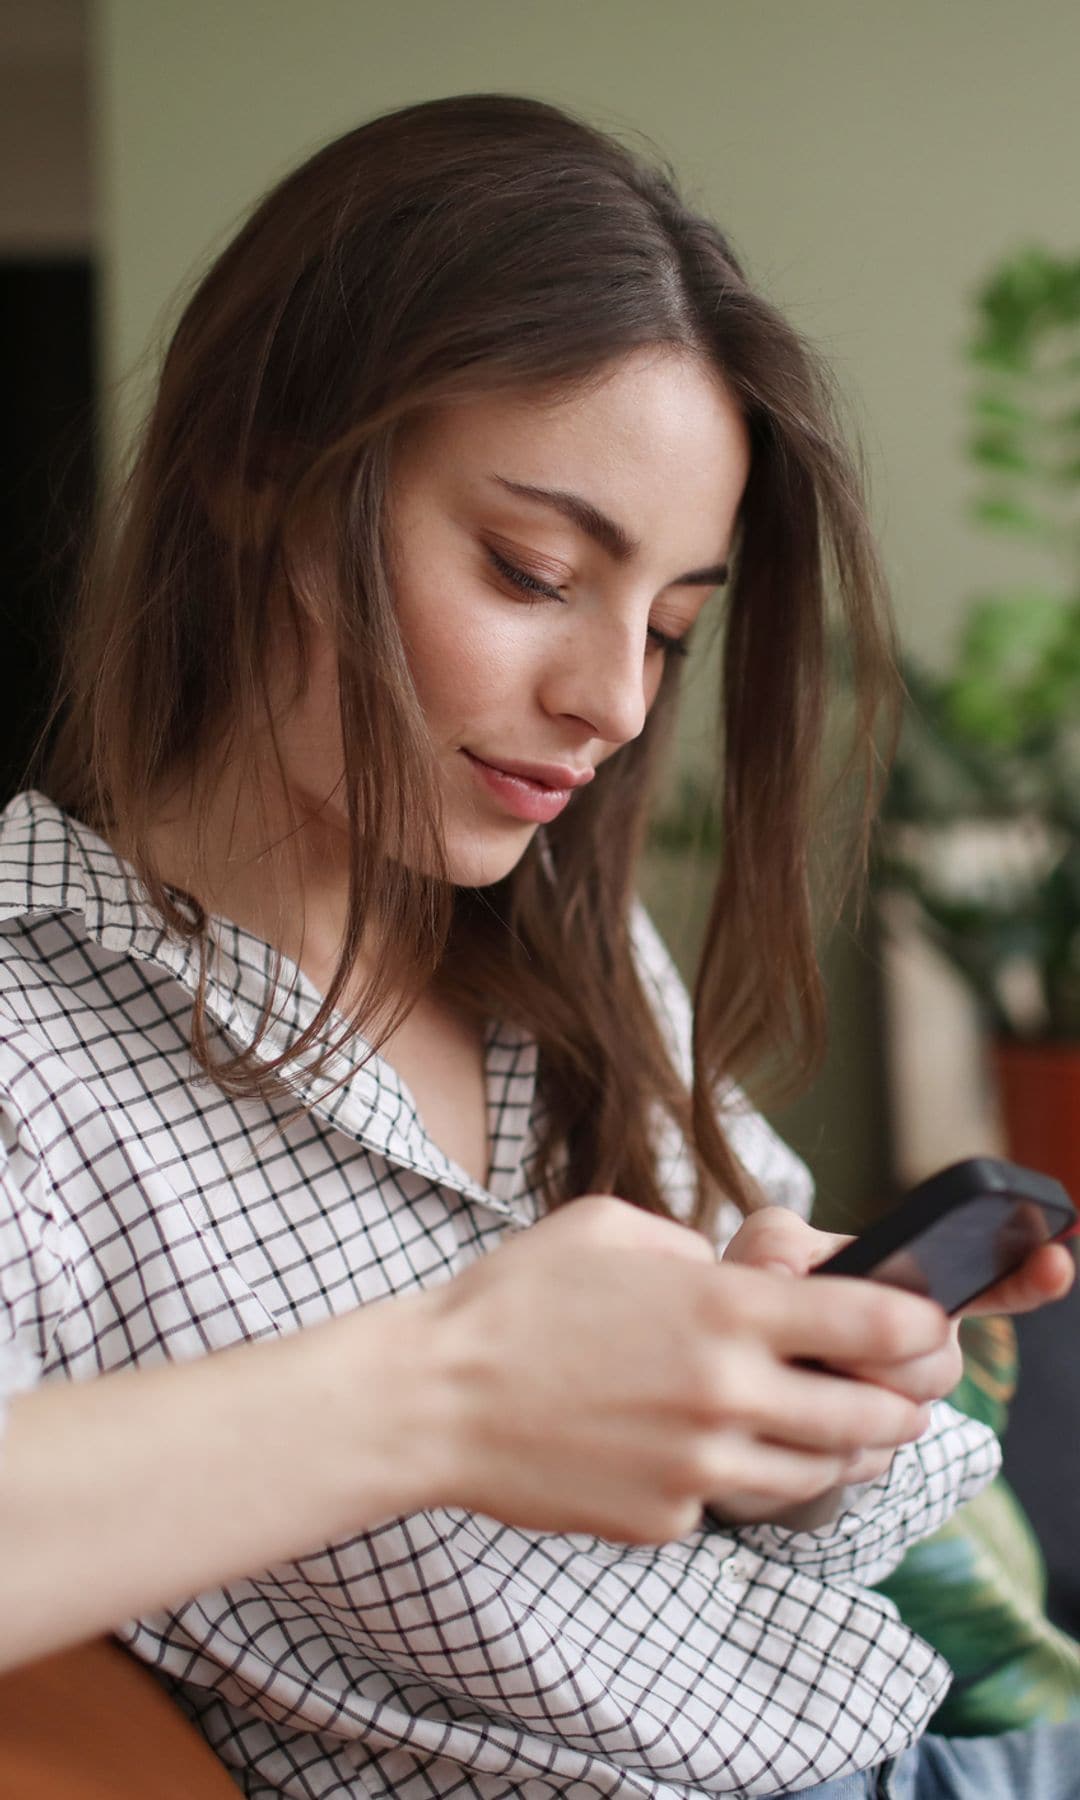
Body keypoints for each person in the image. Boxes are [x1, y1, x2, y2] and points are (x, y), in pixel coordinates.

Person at [0, 92, 1075, 1799]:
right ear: (259, 469)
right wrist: (448, 1393)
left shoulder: (569, 952)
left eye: (670, 627)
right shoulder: (34, 1044)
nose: (615, 703)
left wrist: (816, 1416)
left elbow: (815, 1549)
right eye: (531, 570)